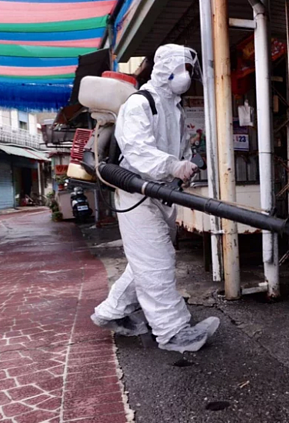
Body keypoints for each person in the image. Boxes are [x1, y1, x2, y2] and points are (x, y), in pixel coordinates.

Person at [91, 44, 220, 353]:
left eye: (190, 70)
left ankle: (111, 312)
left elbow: (181, 148)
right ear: (165, 68)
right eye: (182, 69)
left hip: (162, 194)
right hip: (136, 192)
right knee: (156, 261)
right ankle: (173, 332)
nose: (186, 76)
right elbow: (137, 149)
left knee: (145, 261)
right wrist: (171, 166)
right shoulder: (140, 103)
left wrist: (184, 166)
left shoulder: (174, 108)